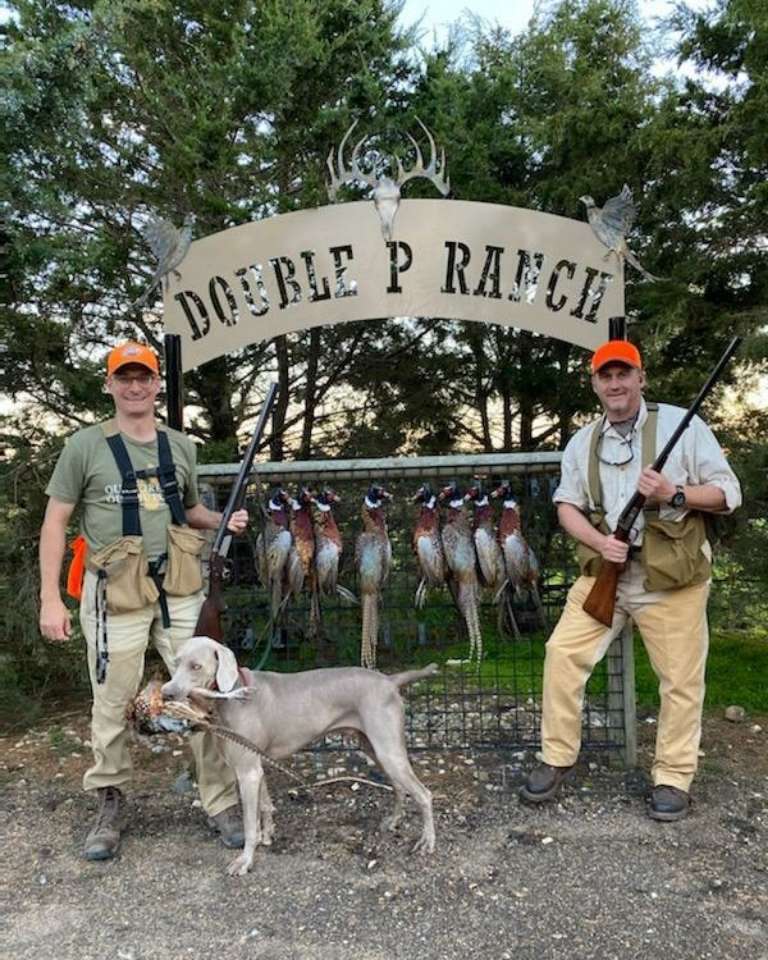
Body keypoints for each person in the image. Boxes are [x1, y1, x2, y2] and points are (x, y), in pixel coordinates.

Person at [39, 341, 249, 860]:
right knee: (112, 701)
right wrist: (50, 598)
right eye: (124, 377)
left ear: (157, 384)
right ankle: (109, 799)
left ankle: (220, 801)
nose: (135, 386)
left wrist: (222, 521)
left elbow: (189, 509)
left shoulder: (180, 446)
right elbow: (55, 523)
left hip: (177, 588)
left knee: (203, 697)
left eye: (144, 377)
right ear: (109, 385)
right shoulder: (84, 446)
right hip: (114, 592)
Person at [520, 339, 741, 820]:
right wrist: (601, 545)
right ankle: (557, 757)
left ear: (641, 378)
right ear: (596, 384)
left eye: (625, 374)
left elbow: (729, 494)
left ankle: (673, 778)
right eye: (606, 376)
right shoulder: (584, 441)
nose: (615, 384)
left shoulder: (683, 426)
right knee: (561, 654)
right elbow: (567, 507)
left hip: (673, 579)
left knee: (681, 681)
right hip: (608, 572)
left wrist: (674, 492)